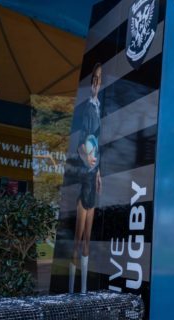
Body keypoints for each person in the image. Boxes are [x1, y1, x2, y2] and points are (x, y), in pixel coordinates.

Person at [69, 62, 102, 294]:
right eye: (94, 79)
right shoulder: (88, 108)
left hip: (93, 176)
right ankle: (71, 292)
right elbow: (81, 142)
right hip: (85, 176)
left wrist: (98, 170)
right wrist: (86, 158)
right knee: (78, 239)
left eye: (99, 80)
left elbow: (97, 144)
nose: (96, 83)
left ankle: (82, 292)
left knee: (88, 239)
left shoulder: (99, 107)